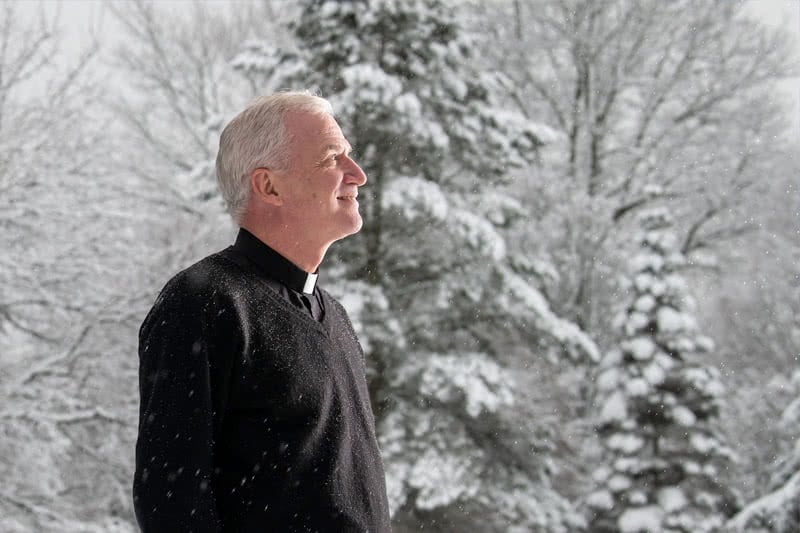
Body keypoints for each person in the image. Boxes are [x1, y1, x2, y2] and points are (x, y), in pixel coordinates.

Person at [132, 92, 391, 532]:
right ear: (268, 186)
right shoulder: (205, 303)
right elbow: (170, 501)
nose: (358, 175)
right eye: (333, 158)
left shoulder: (336, 318)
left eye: (350, 156)